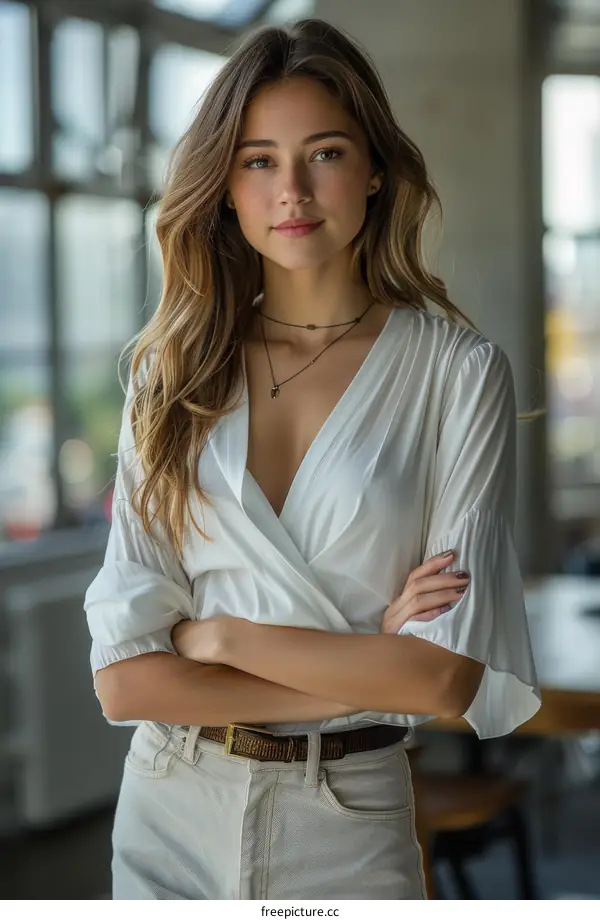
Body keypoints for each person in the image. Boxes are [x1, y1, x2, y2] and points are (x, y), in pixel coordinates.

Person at [83, 17, 541, 901]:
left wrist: (215, 637)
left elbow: (444, 676)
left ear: (374, 168)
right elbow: (125, 682)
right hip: (168, 807)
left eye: (323, 152)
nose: (291, 188)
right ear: (225, 185)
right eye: (258, 159)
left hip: (349, 819)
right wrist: (364, 655)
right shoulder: (170, 373)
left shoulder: (457, 371)